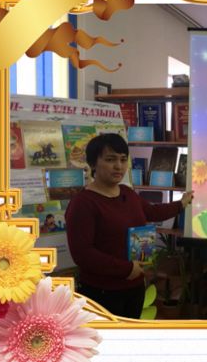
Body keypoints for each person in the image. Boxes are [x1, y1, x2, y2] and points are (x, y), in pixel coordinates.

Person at [65, 133, 194, 319]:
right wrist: (126, 269)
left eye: (123, 159)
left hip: (135, 286)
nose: (119, 166)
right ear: (93, 163)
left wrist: (181, 203)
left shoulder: (127, 193)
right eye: (110, 160)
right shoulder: (83, 203)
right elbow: (82, 254)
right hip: (103, 292)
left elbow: (152, 212)